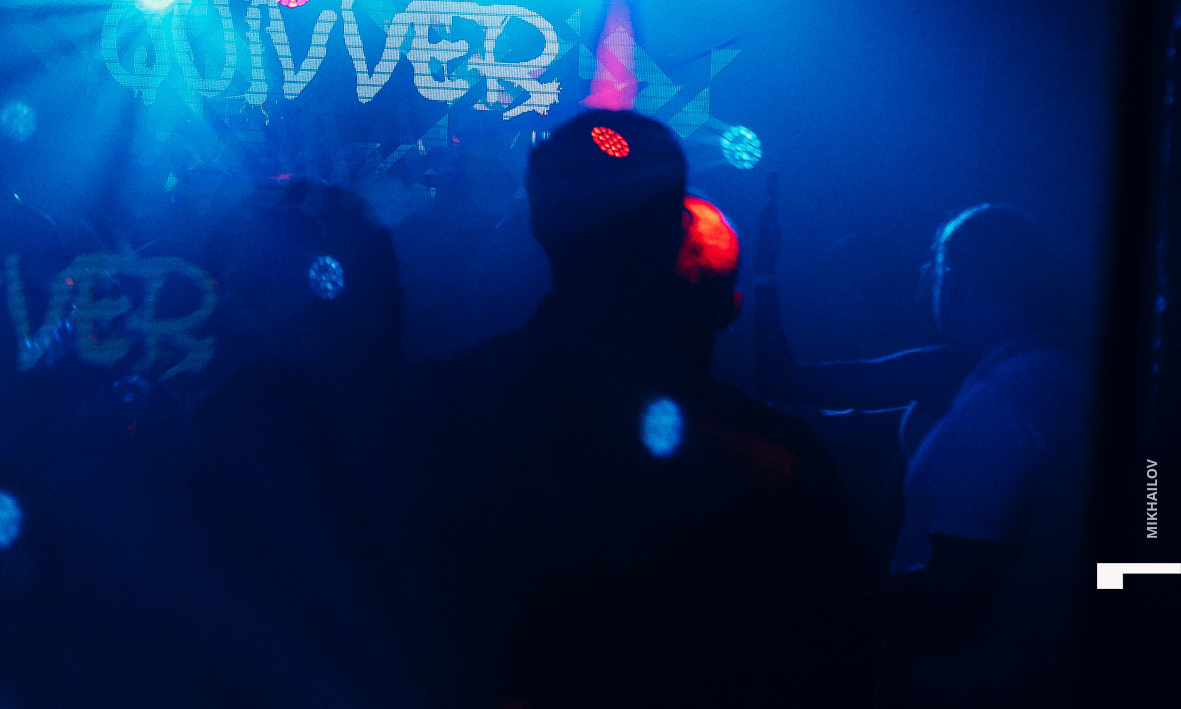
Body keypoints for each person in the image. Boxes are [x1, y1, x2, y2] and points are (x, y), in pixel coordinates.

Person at [416, 109, 872, 708]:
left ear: (539, 225)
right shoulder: (769, 454)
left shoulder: (444, 408)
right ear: (673, 238)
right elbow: (833, 663)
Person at [876, 204, 1091, 708]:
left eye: (933, 269)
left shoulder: (1002, 401)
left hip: (963, 683)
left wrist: (821, 601)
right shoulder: (1059, 373)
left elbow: (952, 590)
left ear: (951, 281)